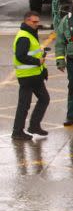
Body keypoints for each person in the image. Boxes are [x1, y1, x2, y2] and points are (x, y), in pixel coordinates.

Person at [11, 11, 50, 141]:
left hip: (35, 75)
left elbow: (35, 54)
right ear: (26, 21)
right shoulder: (24, 36)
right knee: (24, 104)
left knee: (44, 99)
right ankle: (17, 131)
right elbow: (21, 56)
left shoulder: (30, 34)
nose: (36, 24)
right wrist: (37, 62)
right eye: (34, 22)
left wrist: (43, 70)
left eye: (37, 21)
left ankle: (34, 126)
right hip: (27, 77)